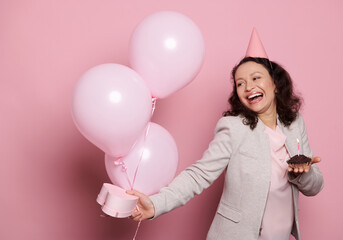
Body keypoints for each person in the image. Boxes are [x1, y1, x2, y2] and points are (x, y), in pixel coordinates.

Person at [126, 28, 324, 240]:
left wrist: (302, 173)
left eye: (256, 78)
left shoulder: (295, 124)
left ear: (275, 85)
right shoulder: (233, 127)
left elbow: (315, 186)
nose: (248, 87)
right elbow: (199, 174)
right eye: (240, 83)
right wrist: (156, 204)